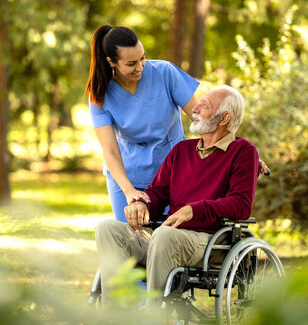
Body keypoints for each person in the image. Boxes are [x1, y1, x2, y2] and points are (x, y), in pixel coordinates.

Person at [95, 85, 260, 302]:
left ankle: (153, 321)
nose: (195, 109)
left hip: (210, 241)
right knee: (107, 229)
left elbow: (241, 205)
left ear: (224, 118)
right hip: (166, 236)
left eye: (204, 105)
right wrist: (142, 204)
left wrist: (194, 210)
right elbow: (158, 193)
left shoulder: (244, 152)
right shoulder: (181, 151)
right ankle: (113, 321)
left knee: (164, 235)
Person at [86, 25, 200, 222]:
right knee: (128, 244)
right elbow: (110, 151)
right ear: (111, 62)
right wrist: (129, 190)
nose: (139, 67)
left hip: (171, 175)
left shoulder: (165, 73)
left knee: (167, 241)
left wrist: (235, 149)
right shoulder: (99, 94)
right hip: (126, 176)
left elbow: (202, 120)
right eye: (131, 63)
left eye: (142, 58)